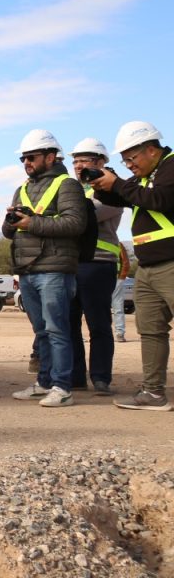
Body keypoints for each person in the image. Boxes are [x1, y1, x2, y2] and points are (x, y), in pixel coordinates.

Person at [89, 121, 174, 411]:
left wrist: (119, 184)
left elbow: (160, 200)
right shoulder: (144, 178)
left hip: (172, 264)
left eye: (131, 158)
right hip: (148, 267)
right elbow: (128, 198)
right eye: (123, 160)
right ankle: (153, 392)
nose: (128, 165)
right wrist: (102, 187)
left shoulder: (171, 168)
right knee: (150, 330)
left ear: (151, 150)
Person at [3, 129, 86, 408]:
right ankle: (44, 382)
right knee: (41, 332)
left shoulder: (67, 185)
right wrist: (11, 220)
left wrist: (31, 223)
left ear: (50, 156)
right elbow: (8, 232)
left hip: (54, 270)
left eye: (31, 156)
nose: (26, 162)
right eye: (23, 158)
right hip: (27, 271)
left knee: (57, 330)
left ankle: (62, 387)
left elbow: (75, 224)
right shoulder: (22, 188)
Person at [69, 138, 121, 395]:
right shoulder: (75, 190)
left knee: (98, 323)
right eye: (75, 161)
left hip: (99, 264)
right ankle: (76, 376)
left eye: (84, 161)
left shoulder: (112, 189)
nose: (78, 166)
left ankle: (101, 378)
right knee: (69, 323)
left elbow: (84, 217)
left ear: (101, 162)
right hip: (72, 263)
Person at [113, 247, 130, 342]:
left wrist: (121, 277)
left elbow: (126, 262)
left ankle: (120, 333)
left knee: (118, 307)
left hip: (116, 280)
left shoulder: (119, 245)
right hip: (99, 279)